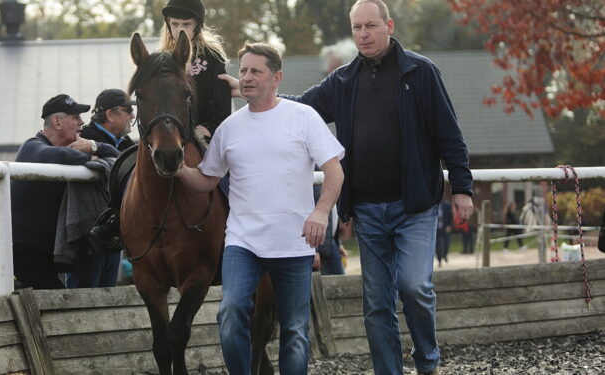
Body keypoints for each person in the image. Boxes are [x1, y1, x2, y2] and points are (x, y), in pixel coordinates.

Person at [219, 1, 474, 374]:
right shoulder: (343, 81)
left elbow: (449, 134)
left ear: (388, 25)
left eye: (371, 26)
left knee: (414, 286)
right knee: (376, 303)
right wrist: (249, 90)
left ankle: (427, 361)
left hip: (414, 206)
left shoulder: (420, 72)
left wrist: (462, 187)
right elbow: (299, 106)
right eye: (357, 28)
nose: (363, 34)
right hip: (369, 209)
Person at [176, 42, 344, 375]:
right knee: (230, 312)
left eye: (256, 71)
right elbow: (207, 180)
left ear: (276, 77)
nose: (247, 78)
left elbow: (335, 171)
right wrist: (178, 170)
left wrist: (321, 212)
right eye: (243, 71)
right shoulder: (229, 128)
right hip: (243, 243)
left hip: (294, 243)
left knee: (294, 330)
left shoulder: (303, 117)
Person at [11, 94, 119, 290]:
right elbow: (62, 155)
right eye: (75, 117)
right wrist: (94, 158)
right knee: (62, 306)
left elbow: (118, 158)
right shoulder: (31, 147)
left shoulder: (54, 149)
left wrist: (94, 146)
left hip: (51, 250)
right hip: (28, 253)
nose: (82, 122)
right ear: (57, 121)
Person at [64, 89, 137, 289]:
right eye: (127, 110)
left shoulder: (123, 142)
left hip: (113, 238)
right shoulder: (83, 137)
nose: (132, 116)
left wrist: (99, 149)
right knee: (82, 298)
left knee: (107, 297)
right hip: (88, 237)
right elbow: (124, 164)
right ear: (111, 114)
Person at [160, 0, 231, 140]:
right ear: (168, 24)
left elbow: (222, 100)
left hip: (202, 130)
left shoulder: (212, 56)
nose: (180, 29)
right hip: (169, 132)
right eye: (174, 24)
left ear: (197, 25)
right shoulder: (162, 58)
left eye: (186, 24)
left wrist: (212, 127)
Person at [313, 183, 347, 275]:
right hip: (320, 245)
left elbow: (332, 218)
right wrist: (315, 250)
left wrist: (338, 243)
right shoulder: (317, 177)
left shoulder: (328, 178)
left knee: (339, 282)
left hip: (330, 243)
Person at [436, 198, 453, 266]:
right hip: (436, 229)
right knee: (438, 245)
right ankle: (439, 260)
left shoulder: (447, 204)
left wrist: (449, 226)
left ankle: (445, 255)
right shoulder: (433, 205)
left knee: (446, 243)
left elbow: (450, 216)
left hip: (445, 227)